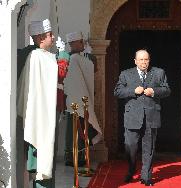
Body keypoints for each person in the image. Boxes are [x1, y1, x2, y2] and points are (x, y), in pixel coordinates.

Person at [114, 49, 171, 186]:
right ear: (135, 61)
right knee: (130, 146)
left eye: (146, 59)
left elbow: (167, 90)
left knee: (149, 148)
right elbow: (117, 92)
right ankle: (132, 169)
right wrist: (133, 91)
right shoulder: (126, 74)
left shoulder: (159, 73)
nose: (144, 62)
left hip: (151, 116)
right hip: (132, 116)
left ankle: (146, 176)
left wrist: (154, 92)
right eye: (141, 60)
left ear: (149, 60)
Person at [17, 19, 58, 187]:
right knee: (40, 157)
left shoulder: (36, 55)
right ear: (41, 37)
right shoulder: (36, 56)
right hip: (39, 114)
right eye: (50, 35)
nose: (54, 38)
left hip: (46, 111)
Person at [63, 31, 102, 166]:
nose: (82, 44)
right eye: (79, 42)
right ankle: (70, 157)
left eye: (80, 42)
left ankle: (81, 157)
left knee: (83, 127)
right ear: (71, 44)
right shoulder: (65, 58)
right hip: (71, 99)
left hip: (83, 96)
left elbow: (94, 71)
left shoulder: (89, 58)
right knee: (72, 129)